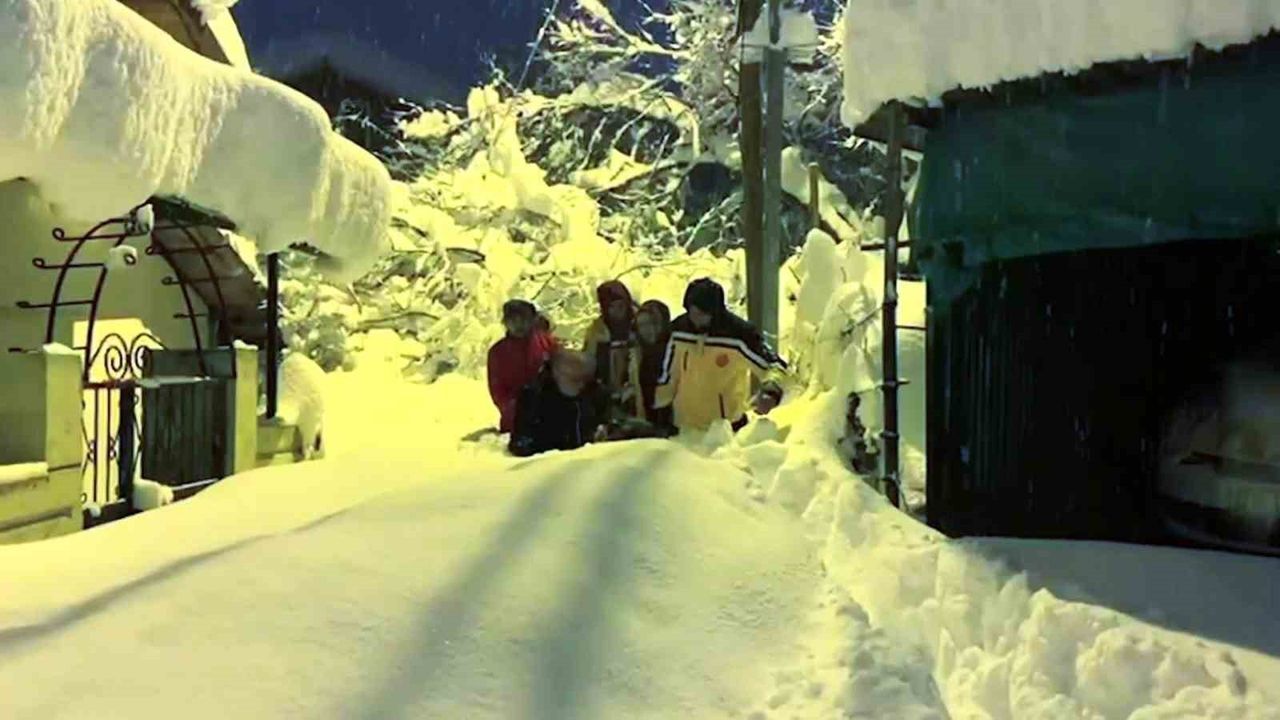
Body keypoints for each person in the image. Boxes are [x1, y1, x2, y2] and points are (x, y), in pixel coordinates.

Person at [654, 278, 787, 433]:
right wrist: (658, 408)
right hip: (684, 429)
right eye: (692, 312)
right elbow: (668, 376)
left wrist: (771, 391)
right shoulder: (678, 332)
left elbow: (775, 366)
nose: (695, 318)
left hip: (726, 431)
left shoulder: (739, 335)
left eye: (701, 314)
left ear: (714, 312)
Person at [509, 350, 605, 457]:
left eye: (585, 379)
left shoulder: (591, 392)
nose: (581, 385)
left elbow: (605, 419)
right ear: (558, 373)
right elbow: (521, 442)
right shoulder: (535, 396)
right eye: (575, 379)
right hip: (549, 461)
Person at [487, 299, 558, 433]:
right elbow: (498, 392)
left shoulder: (547, 343)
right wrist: (518, 409)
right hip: (516, 423)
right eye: (513, 320)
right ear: (505, 323)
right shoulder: (497, 352)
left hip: (552, 415)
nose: (518, 325)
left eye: (524, 319)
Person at [582, 280, 636, 399]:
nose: (618, 310)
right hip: (606, 393)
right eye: (612, 306)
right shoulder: (596, 331)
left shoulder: (639, 325)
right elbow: (588, 364)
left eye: (621, 305)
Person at [628, 299, 675, 433]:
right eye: (641, 325)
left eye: (651, 323)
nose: (646, 330)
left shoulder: (672, 349)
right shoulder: (638, 353)